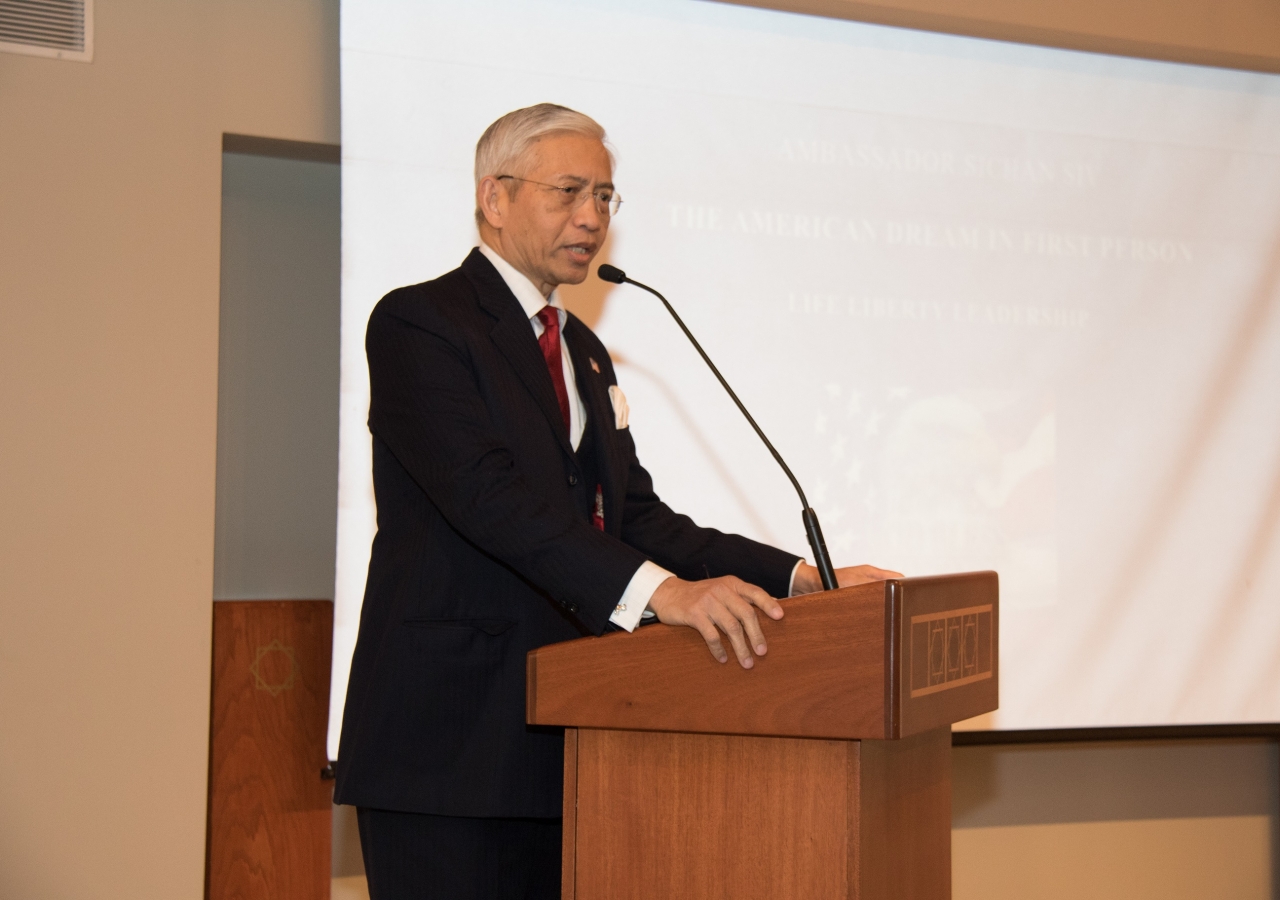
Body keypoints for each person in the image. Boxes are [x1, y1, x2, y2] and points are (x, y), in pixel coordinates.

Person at [333, 103, 899, 900]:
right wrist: (663, 595)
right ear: (495, 199)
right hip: (449, 745)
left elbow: (636, 517)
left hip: (574, 738)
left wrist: (803, 580)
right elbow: (488, 498)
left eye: (605, 197)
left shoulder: (584, 351)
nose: (592, 217)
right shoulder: (421, 322)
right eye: (569, 192)